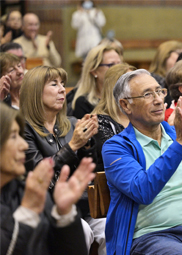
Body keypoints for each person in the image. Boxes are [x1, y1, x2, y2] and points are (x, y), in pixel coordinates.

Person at [102, 69, 182, 255]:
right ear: (126, 105)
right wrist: (179, 144)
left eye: (159, 91)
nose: (158, 100)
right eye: (148, 94)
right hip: (152, 238)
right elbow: (143, 191)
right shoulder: (116, 147)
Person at [19, 66, 106, 255]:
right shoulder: (24, 129)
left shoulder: (72, 123)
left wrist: (88, 143)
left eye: (63, 84)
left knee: (112, 227)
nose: (62, 89)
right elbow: (38, 172)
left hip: (84, 203)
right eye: (54, 84)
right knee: (80, 230)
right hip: (50, 207)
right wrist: (73, 145)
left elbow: (88, 168)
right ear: (35, 91)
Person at [0, 102, 95, 255]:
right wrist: (28, 213)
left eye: (20, 135)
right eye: (13, 137)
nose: (24, 145)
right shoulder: (31, 197)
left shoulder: (27, 192)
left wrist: (65, 214)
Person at [91, 63, 135, 172]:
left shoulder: (141, 117)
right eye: (130, 84)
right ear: (114, 89)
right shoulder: (99, 123)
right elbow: (120, 160)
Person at [71, 45, 122, 118]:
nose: (118, 69)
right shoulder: (83, 103)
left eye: (119, 64)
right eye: (111, 65)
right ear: (94, 71)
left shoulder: (127, 97)